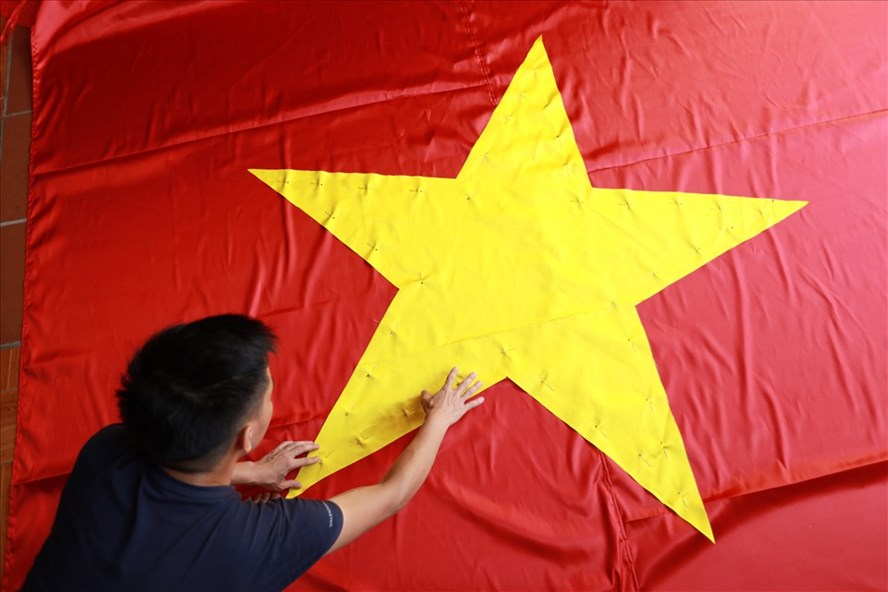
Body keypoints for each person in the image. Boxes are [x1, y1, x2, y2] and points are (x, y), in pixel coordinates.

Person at [23, 314, 484, 591]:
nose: (270, 399)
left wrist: (250, 473)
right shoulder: (260, 540)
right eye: (268, 395)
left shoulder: (105, 449)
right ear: (247, 437)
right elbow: (392, 495)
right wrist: (439, 418)